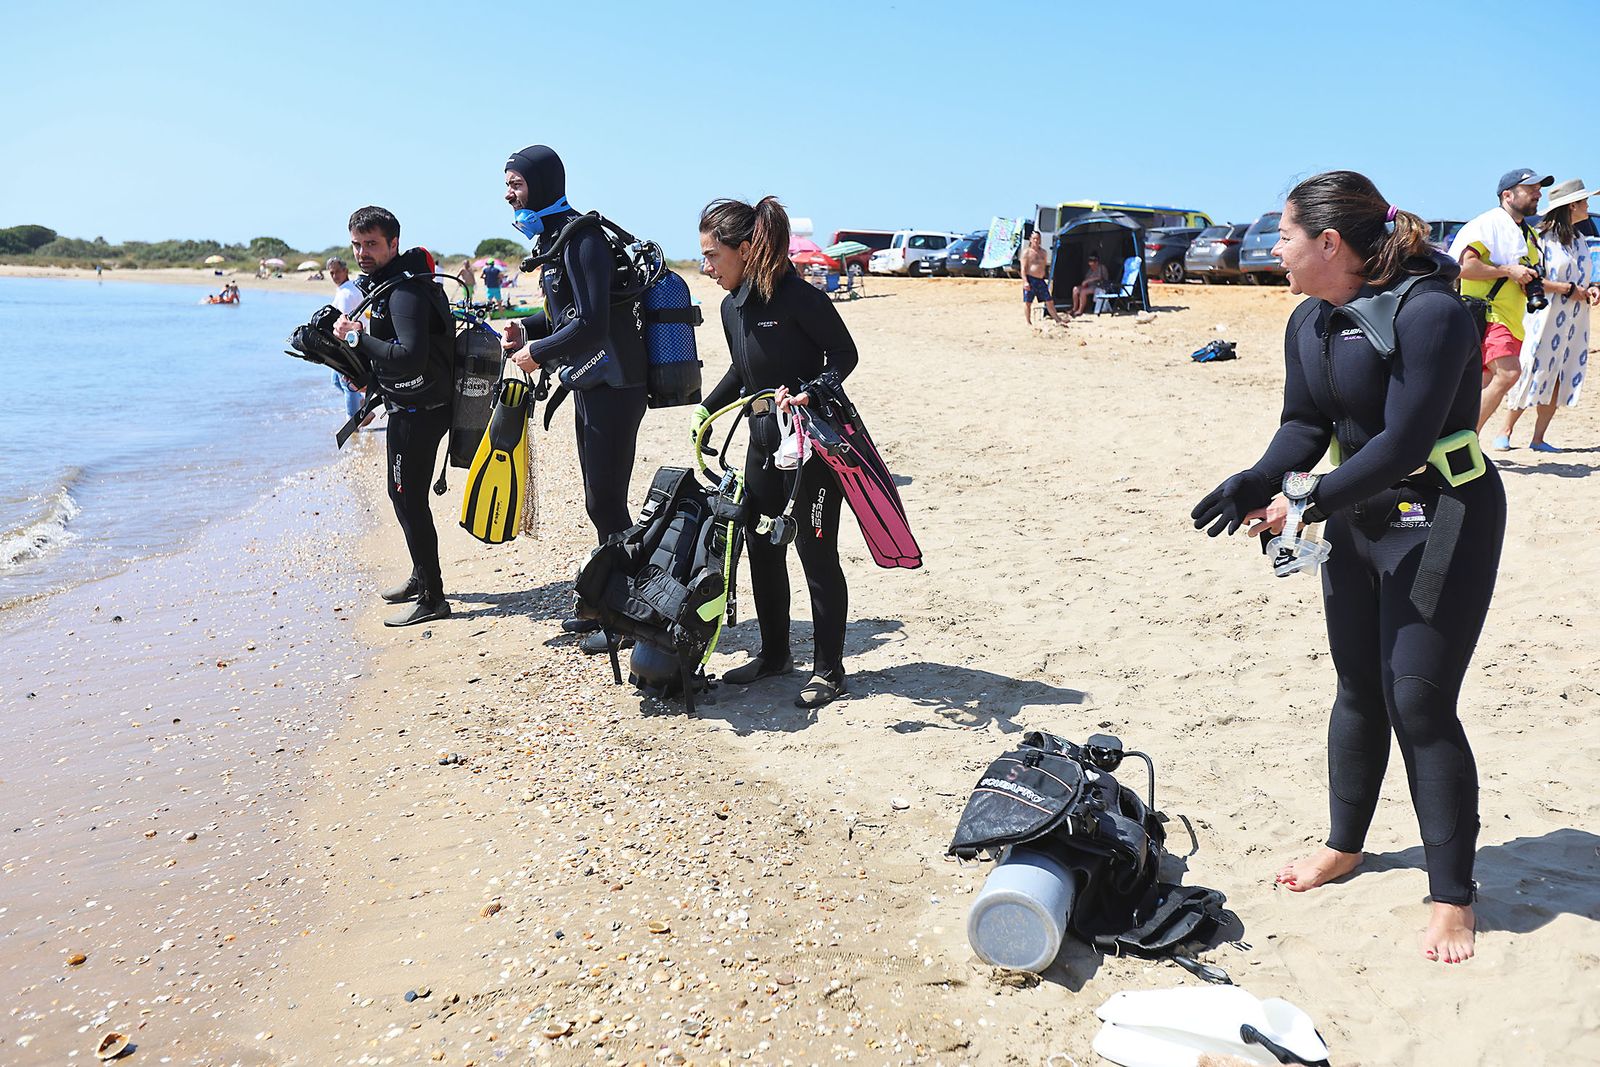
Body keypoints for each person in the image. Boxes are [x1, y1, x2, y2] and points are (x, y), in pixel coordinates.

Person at [1191, 170, 1505, 965]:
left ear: (1329, 242)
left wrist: (1303, 500)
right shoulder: (1310, 319)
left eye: (1284, 236)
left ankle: (1452, 897)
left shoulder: (1430, 312)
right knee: (1358, 685)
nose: (1275, 250)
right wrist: (1258, 479)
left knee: (1418, 700)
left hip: (1442, 514)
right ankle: (1345, 843)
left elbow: (1404, 443)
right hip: (1357, 517)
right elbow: (1305, 423)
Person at [698, 196, 858, 710]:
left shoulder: (799, 297)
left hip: (811, 443)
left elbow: (845, 355)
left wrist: (813, 390)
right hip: (762, 440)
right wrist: (706, 410)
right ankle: (774, 656)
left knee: (814, 550)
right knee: (761, 544)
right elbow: (743, 371)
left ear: (745, 249)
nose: (706, 267)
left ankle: (829, 671)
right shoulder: (731, 308)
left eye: (712, 255)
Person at [499, 144, 649, 651]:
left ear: (542, 184)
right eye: (508, 184)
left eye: (515, 184)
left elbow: (592, 323)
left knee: (607, 501)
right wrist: (526, 329)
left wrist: (538, 353)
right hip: (592, 382)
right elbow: (566, 315)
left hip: (617, 385)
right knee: (597, 501)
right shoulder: (557, 240)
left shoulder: (583, 239)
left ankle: (627, 617)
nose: (508, 194)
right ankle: (610, 603)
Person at [331, 206, 456, 627]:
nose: (362, 253)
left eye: (371, 244)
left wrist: (356, 338)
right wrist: (366, 378)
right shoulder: (394, 284)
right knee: (401, 495)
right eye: (356, 244)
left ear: (393, 243)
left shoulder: (403, 293)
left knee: (408, 498)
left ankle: (434, 598)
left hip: (419, 413)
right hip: (413, 406)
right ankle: (422, 577)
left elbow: (409, 356)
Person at [1494, 179, 1599, 451]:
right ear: (1572, 205)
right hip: (1545, 316)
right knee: (1532, 368)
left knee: (1560, 373)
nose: (1588, 205)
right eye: (1584, 201)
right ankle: (1505, 430)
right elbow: (1531, 279)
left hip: (1575, 318)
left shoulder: (1579, 240)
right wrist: (1568, 289)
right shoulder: (1540, 239)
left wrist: (1591, 288)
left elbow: (1582, 277)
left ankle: (1538, 438)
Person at [1447, 168, 1552, 432]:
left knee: (1482, 383)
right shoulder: (1487, 224)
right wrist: (1508, 271)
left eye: (1539, 189)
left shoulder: (1529, 234)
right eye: (1531, 189)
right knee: (1508, 373)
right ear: (1507, 195)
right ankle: (1468, 437)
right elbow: (1464, 267)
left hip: (1512, 318)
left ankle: (1462, 440)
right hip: (1489, 314)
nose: (1538, 194)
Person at [326, 256, 371, 424]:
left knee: (347, 384)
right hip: (352, 341)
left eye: (337, 271)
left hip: (348, 344)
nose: (335, 276)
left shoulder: (346, 293)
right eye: (331, 273)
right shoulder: (346, 289)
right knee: (336, 381)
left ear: (345, 271)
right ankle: (362, 406)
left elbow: (344, 325)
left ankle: (354, 422)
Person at [1019, 232, 1067, 327]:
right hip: (1030, 279)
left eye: (1038, 238)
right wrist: (1025, 282)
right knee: (1028, 302)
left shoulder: (1043, 252)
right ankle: (1028, 322)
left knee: (1049, 300)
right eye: (1034, 238)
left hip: (1040, 280)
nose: (1036, 241)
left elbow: (1044, 267)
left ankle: (1057, 319)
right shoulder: (1026, 252)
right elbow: (1023, 269)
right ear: (1030, 239)